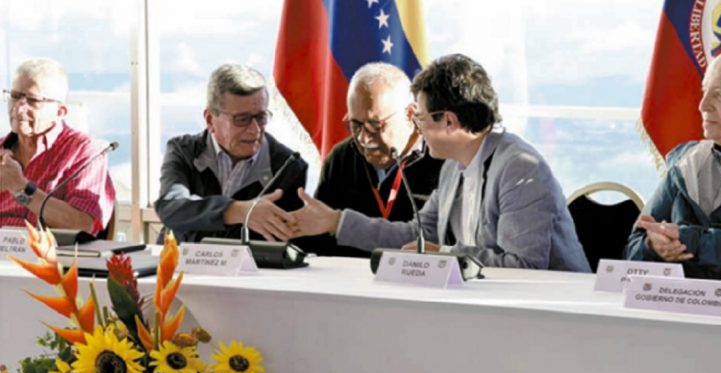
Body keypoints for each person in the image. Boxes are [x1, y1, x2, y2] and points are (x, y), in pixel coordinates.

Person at [291, 54, 590, 271]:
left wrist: (445, 255)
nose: (417, 129)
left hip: (552, 315)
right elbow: (417, 236)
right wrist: (337, 221)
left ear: (448, 121)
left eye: (419, 118)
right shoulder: (453, 165)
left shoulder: (521, 168)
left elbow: (525, 267)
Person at [625, 48, 721, 281]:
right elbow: (632, 251)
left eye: (720, 94)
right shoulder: (685, 161)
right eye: (704, 92)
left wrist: (697, 243)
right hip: (683, 310)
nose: (703, 105)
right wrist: (653, 245)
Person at [155, 63, 307, 243]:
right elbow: (171, 208)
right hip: (179, 264)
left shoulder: (288, 166)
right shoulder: (184, 150)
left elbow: (284, 244)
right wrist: (239, 211)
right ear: (210, 119)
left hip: (253, 269)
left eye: (261, 117)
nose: (255, 130)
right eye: (242, 119)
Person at [311, 62, 443, 257]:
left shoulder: (443, 159)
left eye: (375, 125)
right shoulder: (342, 157)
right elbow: (319, 240)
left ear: (410, 114)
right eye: (355, 124)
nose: (364, 139)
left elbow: (438, 240)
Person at [0, 58, 115, 235]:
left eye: (33, 100)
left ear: (60, 112)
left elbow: (83, 225)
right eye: (15, 96)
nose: (19, 108)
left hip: (52, 258)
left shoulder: (84, 151)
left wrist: (20, 187)